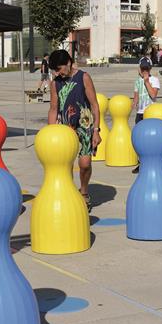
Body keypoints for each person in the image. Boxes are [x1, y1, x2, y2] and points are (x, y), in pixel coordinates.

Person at [47, 49, 102, 209]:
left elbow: (94, 105)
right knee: (65, 164)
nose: (57, 73)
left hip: (85, 125)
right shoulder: (55, 83)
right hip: (65, 127)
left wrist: (96, 130)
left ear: (69, 63)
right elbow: (53, 108)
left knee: (85, 164)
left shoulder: (83, 77)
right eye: (54, 70)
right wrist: (51, 132)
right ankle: (69, 193)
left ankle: (84, 192)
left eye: (59, 68)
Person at [131, 56, 161, 174]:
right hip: (140, 113)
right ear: (138, 69)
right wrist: (133, 104)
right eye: (142, 69)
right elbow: (136, 96)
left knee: (151, 140)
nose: (144, 71)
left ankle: (152, 162)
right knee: (140, 139)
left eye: (146, 69)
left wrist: (147, 81)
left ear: (150, 69)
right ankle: (141, 163)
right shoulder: (137, 81)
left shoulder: (154, 80)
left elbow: (153, 95)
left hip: (150, 113)